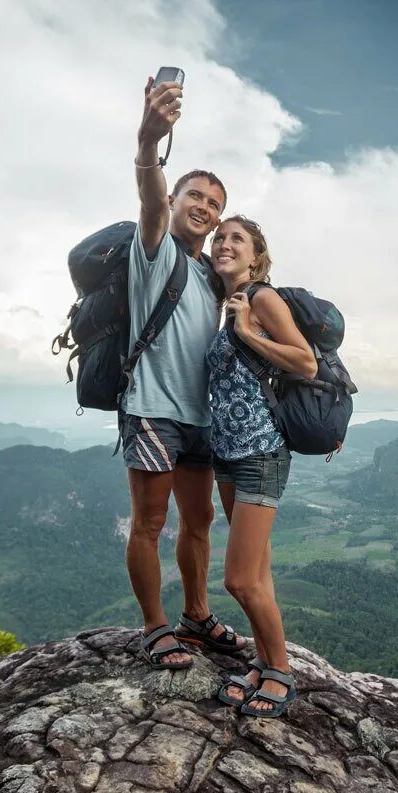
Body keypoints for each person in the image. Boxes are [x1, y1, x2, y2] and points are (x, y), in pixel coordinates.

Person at [126, 75, 245, 670]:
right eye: (195, 196)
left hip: (200, 418)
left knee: (198, 522)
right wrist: (150, 141)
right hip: (152, 408)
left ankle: (196, 616)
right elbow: (148, 195)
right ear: (175, 202)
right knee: (149, 521)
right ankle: (154, 627)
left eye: (215, 205)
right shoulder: (155, 250)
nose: (205, 208)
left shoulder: (208, 275)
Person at [207, 216, 317, 716]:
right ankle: (263, 660)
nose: (224, 244)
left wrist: (248, 332)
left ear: (256, 256)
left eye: (237, 239)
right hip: (226, 454)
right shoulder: (221, 304)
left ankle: (282, 673)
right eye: (219, 238)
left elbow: (305, 361)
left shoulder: (262, 298)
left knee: (239, 580)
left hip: (261, 453)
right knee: (260, 573)